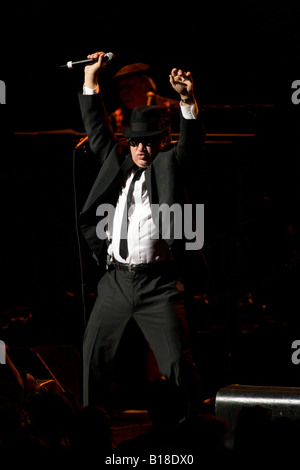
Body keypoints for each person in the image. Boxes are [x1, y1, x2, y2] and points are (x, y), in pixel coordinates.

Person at [78, 51, 205, 422]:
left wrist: (186, 100)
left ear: (162, 139)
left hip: (158, 285)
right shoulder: (119, 159)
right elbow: (96, 129)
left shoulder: (168, 162)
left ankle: (194, 432)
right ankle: (91, 434)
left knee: (179, 364)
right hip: (116, 281)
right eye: (135, 141)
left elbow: (191, 147)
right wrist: (90, 80)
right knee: (92, 358)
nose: (141, 149)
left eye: (149, 141)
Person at [109, 62, 180, 133]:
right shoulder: (116, 118)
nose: (124, 92)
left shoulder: (174, 110)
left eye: (129, 86)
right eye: (121, 88)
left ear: (146, 85)